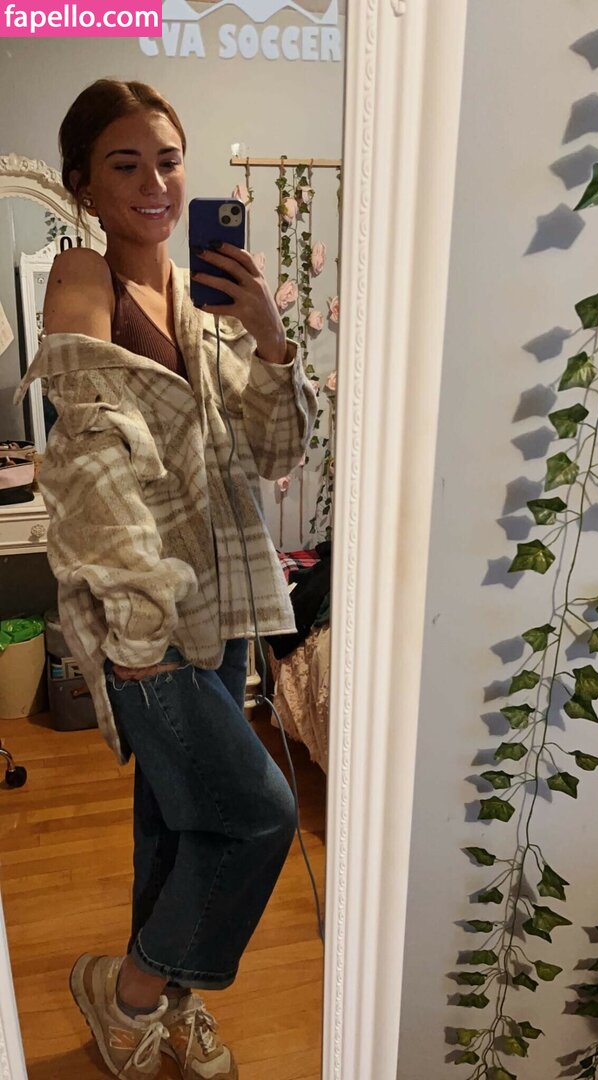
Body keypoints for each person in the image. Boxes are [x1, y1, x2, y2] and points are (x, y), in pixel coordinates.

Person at [16, 78, 317, 1080]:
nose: (155, 182)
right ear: (84, 185)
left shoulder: (208, 300)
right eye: (126, 163)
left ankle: (167, 1010)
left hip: (224, 605)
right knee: (260, 813)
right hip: (147, 614)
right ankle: (130, 989)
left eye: (169, 159)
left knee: (182, 824)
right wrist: (140, 620)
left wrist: (269, 334)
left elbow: (274, 451)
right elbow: (89, 457)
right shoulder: (82, 278)